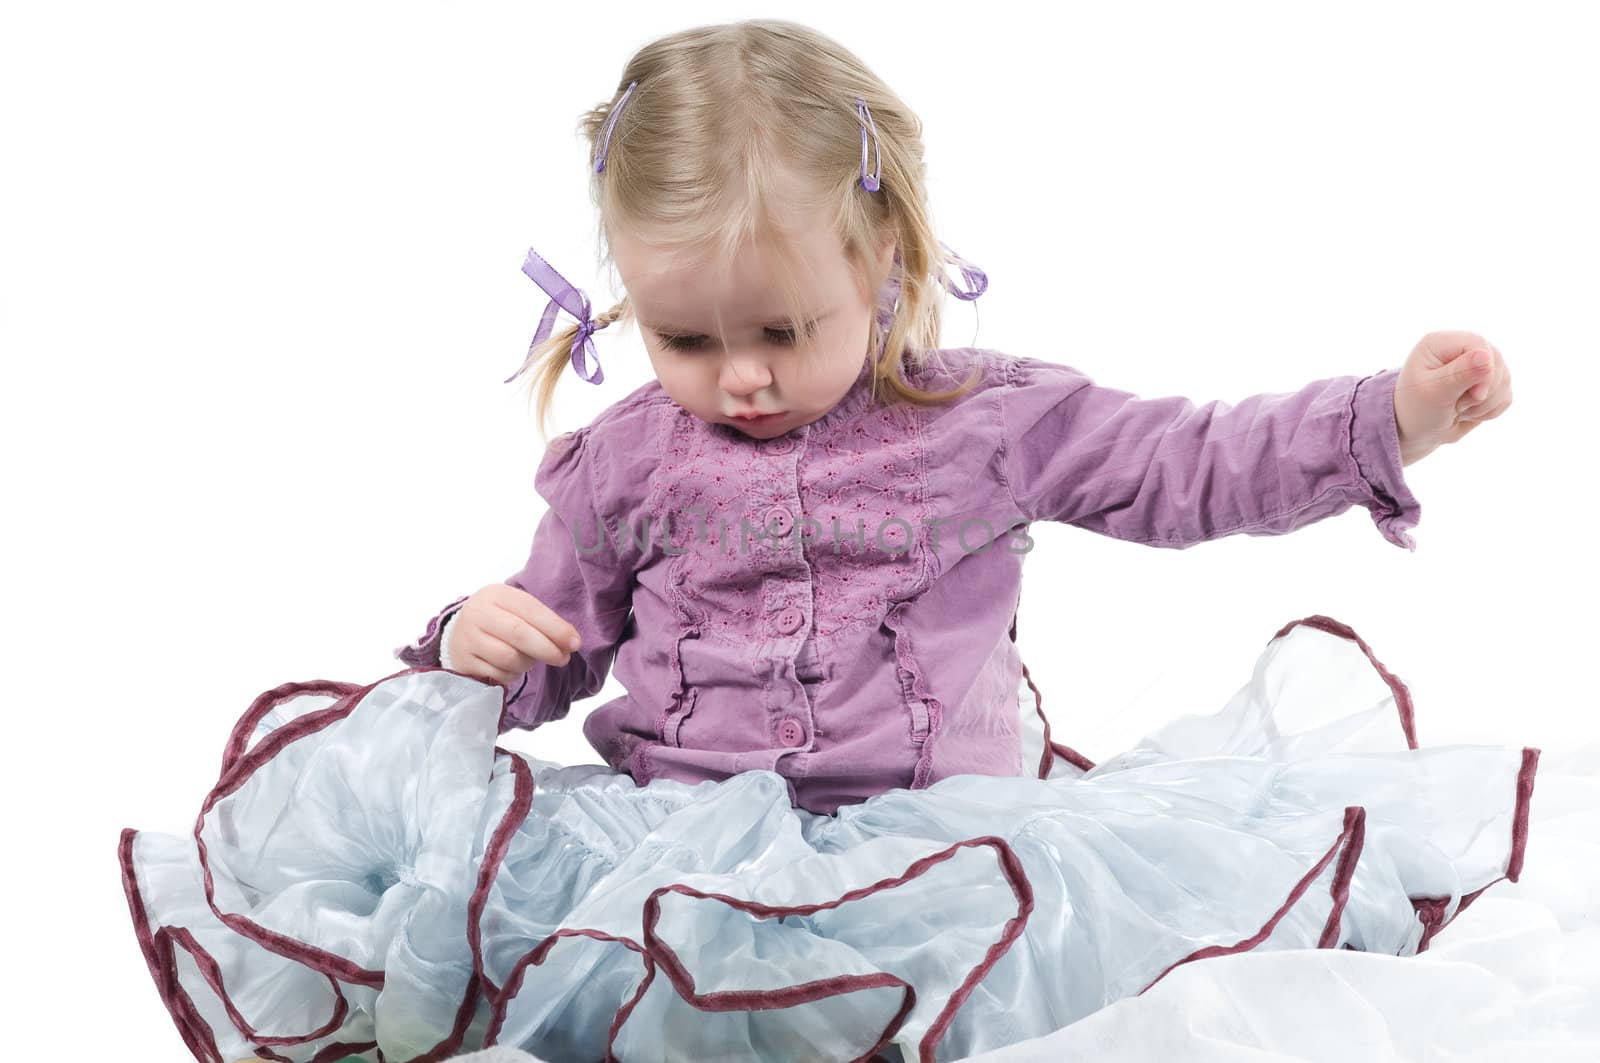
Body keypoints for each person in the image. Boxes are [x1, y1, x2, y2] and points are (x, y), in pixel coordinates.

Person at [120, 18, 1534, 1063]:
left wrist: (1387, 417)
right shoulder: (624, 465)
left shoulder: (987, 421)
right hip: (680, 848)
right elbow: (550, 648)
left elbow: (1189, 467)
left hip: (944, 843)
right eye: (687, 338)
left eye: (781, 332)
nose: (738, 377)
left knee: (965, 1000)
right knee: (655, 997)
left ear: (885, 262)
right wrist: (478, 643)